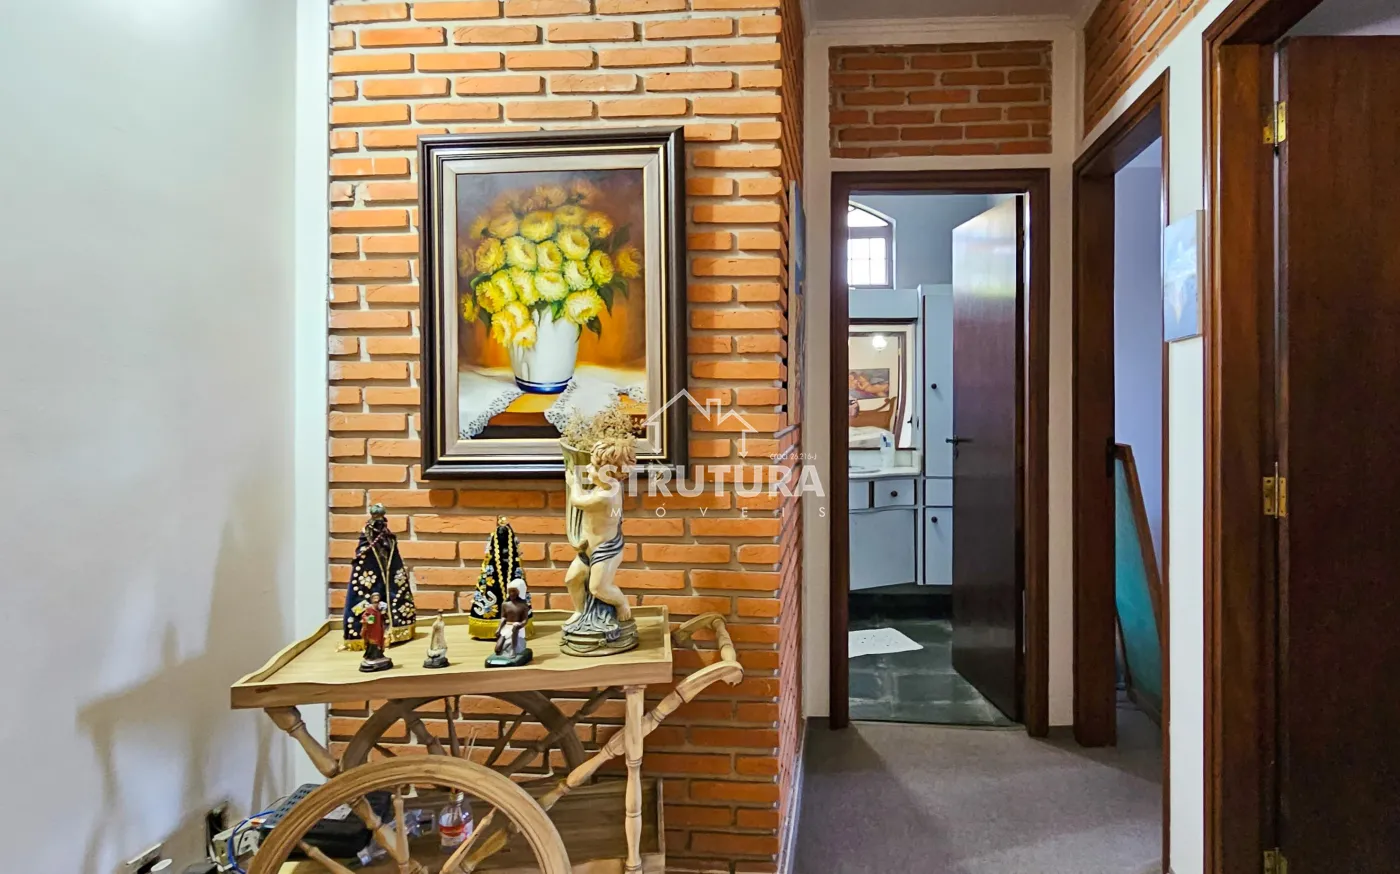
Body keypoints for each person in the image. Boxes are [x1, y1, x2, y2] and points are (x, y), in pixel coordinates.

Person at [355, 592, 393, 673]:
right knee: (373, 643)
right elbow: (364, 616)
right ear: (372, 599)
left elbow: (384, 617)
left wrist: (384, 614)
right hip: (372, 630)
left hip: (379, 629)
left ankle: (379, 656)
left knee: (380, 642)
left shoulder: (380, 607)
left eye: (377, 597)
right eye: (374, 598)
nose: (376, 599)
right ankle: (372, 657)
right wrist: (368, 619)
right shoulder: (369, 608)